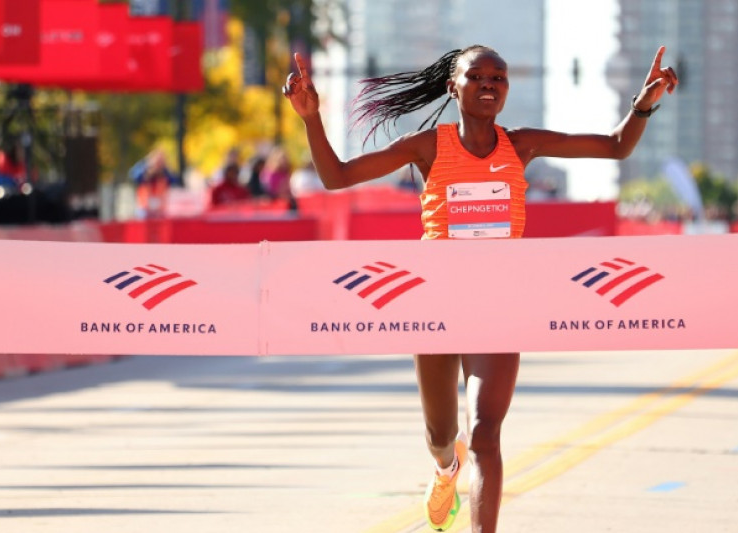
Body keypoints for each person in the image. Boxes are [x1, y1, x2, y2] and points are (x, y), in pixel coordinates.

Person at [284, 44, 677, 532]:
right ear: (454, 86)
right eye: (478, 76)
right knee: (441, 434)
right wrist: (310, 118)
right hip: (435, 305)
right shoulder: (428, 145)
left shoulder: (522, 144)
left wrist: (643, 103)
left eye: (500, 77)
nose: (490, 84)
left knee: (486, 435)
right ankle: (445, 468)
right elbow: (336, 176)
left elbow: (616, 146)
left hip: (497, 306)